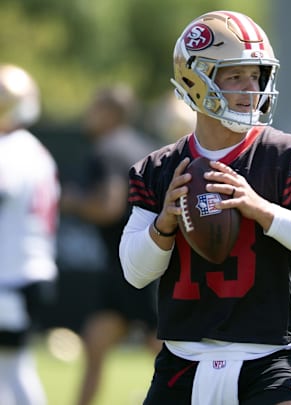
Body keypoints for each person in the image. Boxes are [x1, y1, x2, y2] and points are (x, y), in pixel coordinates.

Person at [118, 10, 291, 405]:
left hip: (271, 359)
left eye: (256, 75)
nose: (250, 88)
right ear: (195, 78)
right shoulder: (158, 169)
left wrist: (260, 208)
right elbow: (135, 272)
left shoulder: (288, 155)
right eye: (235, 75)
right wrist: (165, 223)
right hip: (182, 359)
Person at [59, 85, 160, 405]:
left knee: (166, 355)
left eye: (95, 108)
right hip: (144, 262)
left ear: (111, 113)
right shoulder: (143, 146)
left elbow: (109, 206)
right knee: (96, 340)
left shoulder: (108, 150)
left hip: (134, 267)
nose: (89, 114)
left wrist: (72, 202)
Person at [0, 64, 60, 405]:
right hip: (31, 271)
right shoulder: (36, 150)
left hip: (12, 277)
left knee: (13, 368)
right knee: (10, 368)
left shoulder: (8, 150)